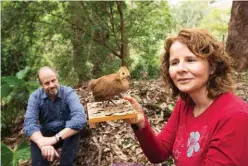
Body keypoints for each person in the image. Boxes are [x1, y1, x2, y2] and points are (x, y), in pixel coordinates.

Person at [124, 29, 248, 166]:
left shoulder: (236, 116)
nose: (180, 69)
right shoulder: (184, 104)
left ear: (212, 67)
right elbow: (159, 153)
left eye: (190, 60)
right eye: (174, 62)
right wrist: (140, 123)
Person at [24, 66, 87, 166]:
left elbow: (79, 119)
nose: (52, 85)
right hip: (46, 133)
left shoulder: (68, 93)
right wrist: (42, 142)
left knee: (74, 131)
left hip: (66, 133)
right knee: (37, 156)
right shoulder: (35, 97)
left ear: (57, 78)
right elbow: (29, 124)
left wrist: (54, 139)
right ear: (41, 85)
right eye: (47, 83)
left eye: (53, 80)